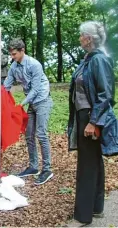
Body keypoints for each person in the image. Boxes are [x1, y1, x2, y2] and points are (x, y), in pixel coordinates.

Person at [67, 21, 117, 227]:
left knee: (87, 164)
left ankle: (83, 216)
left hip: (90, 117)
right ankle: (96, 208)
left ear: (88, 38)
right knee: (94, 161)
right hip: (85, 116)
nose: (79, 38)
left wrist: (93, 121)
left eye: (81, 35)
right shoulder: (87, 60)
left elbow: (105, 95)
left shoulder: (99, 60)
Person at [4, 38, 54, 185]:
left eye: (14, 54)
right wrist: (1, 97)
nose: (12, 57)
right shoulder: (14, 66)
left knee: (41, 134)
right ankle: (33, 167)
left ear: (22, 51)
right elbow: (7, 85)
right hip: (31, 103)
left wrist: (22, 103)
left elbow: (36, 89)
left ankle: (47, 169)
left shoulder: (34, 64)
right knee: (29, 135)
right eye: (11, 54)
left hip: (43, 100)